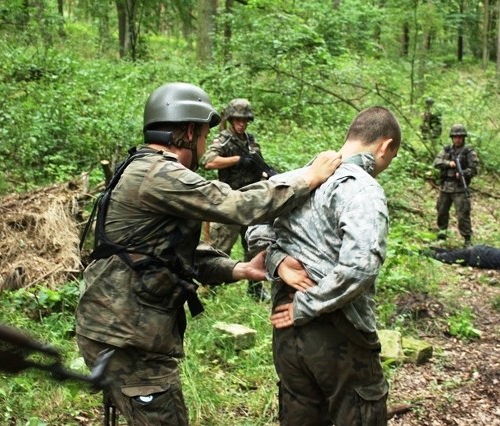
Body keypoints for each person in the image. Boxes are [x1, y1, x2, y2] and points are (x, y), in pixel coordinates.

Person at [74, 82, 342, 426]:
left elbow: (170, 255)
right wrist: (309, 177)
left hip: (115, 329)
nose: (204, 144)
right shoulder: (160, 173)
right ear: (189, 131)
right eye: (203, 135)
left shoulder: (144, 169)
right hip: (127, 338)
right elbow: (238, 204)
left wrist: (240, 269)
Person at [247, 106, 402, 426]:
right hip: (339, 331)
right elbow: (360, 266)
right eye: (390, 158)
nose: (385, 166)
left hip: (286, 332)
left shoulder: (300, 177)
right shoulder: (362, 187)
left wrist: (277, 262)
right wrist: (308, 304)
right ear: (385, 147)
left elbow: (253, 227)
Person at [202, 98, 273, 302]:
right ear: (231, 120)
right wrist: (238, 160)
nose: (241, 124)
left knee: (255, 245)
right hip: (229, 200)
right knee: (219, 246)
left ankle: (255, 287)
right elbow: (209, 162)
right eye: (237, 120)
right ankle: (210, 289)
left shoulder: (250, 140)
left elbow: (260, 165)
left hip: (250, 199)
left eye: (245, 120)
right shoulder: (224, 139)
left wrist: (266, 173)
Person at [433, 123, 479, 246]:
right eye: (455, 137)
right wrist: (449, 164)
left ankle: (467, 239)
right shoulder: (447, 150)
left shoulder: (469, 152)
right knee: (441, 211)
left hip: (459, 188)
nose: (457, 139)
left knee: (463, 214)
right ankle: (442, 233)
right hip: (446, 187)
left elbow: (474, 169)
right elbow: (436, 162)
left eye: (460, 137)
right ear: (452, 138)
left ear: (463, 138)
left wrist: (463, 173)